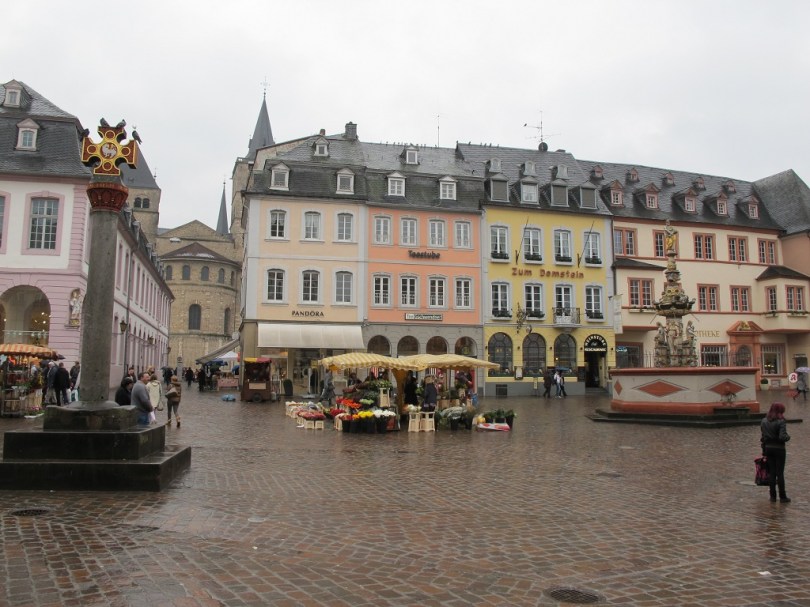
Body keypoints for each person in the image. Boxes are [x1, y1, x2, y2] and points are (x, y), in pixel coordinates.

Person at [760, 402, 791, 503]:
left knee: (772, 472)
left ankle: (773, 496)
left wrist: (764, 450)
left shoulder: (764, 421)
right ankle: (783, 496)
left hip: (768, 448)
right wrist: (788, 437)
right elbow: (783, 437)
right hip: (779, 448)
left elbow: (763, 437)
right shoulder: (781, 421)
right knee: (780, 473)